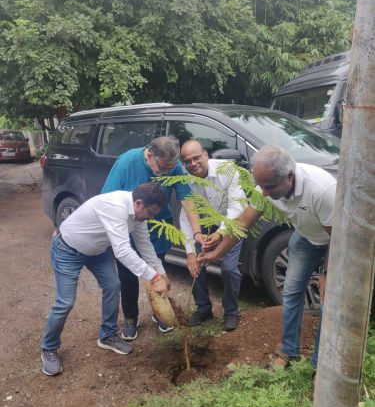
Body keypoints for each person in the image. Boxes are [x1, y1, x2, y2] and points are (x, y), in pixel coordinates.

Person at [199, 145, 336, 369]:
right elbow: (244, 222)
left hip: (335, 239)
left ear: (290, 176)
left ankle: (318, 364)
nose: (264, 193)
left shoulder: (321, 189)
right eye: (261, 186)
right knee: (291, 292)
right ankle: (288, 350)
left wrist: (327, 274)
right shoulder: (266, 187)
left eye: (270, 187)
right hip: (306, 237)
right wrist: (217, 253)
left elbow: (338, 237)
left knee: (328, 301)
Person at [40, 182, 169, 376]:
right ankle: (49, 347)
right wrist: (153, 277)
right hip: (68, 248)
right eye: (150, 213)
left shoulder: (138, 217)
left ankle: (107, 335)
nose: (150, 218)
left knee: (113, 285)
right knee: (65, 302)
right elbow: (123, 251)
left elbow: (145, 247)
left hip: (98, 250)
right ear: (139, 203)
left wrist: (161, 273)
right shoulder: (116, 207)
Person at [101, 136, 200, 340]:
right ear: (149, 155)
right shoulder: (127, 163)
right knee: (128, 275)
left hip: (158, 229)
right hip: (129, 228)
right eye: (163, 168)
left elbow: (187, 200)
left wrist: (197, 233)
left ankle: (160, 313)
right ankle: (130, 318)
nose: (166, 173)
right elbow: (106, 199)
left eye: (170, 169)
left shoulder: (174, 166)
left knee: (157, 270)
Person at [179, 140, 246, 331]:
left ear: (206, 155)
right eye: (187, 161)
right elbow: (186, 215)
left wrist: (220, 233)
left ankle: (231, 312)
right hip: (204, 227)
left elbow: (237, 207)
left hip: (231, 225)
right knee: (195, 264)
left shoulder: (228, 170)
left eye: (196, 158)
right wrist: (192, 247)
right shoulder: (185, 179)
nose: (193, 164)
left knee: (229, 269)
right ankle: (203, 308)